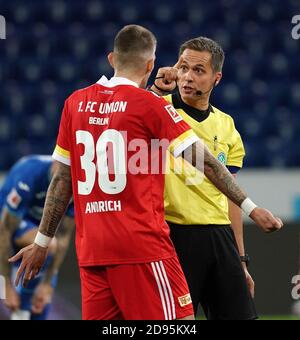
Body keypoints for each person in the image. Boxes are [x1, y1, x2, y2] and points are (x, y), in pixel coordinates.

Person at [9, 25, 282, 321]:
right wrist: (252, 209)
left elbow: (62, 180)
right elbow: (205, 162)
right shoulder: (152, 106)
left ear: (112, 59)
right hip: (143, 246)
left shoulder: (75, 103)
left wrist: (41, 242)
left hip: (92, 251)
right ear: (151, 64)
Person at [149, 36, 269, 319]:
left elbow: (230, 194)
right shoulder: (156, 109)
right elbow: (124, 117)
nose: (188, 77)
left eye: (198, 70)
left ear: (217, 78)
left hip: (219, 236)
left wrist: (241, 259)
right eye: (184, 68)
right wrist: (153, 89)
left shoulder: (226, 125)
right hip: (174, 234)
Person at [0, 155, 75, 320]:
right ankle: (21, 312)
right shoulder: (30, 174)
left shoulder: (74, 185)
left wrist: (47, 284)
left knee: (41, 306)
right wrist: (5, 285)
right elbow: (4, 230)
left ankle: (27, 309)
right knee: (49, 245)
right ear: (56, 162)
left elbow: (64, 236)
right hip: (6, 223)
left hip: (38, 230)